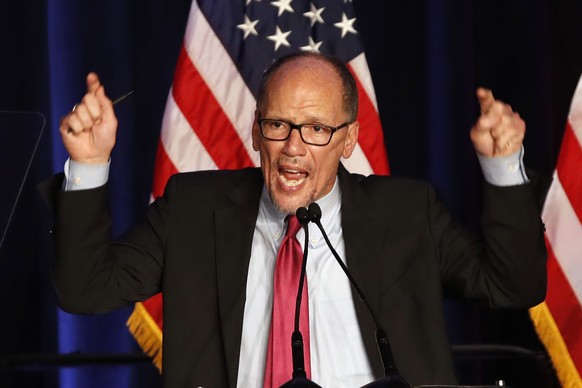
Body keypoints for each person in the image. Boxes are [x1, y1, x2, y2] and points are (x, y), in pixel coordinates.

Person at [47, 52, 547, 387]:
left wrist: (503, 168)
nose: (292, 148)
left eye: (315, 129)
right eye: (278, 125)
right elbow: (85, 290)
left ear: (349, 140)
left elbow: (513, 286)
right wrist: (89, 167)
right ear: (255, 131)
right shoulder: (194, 209)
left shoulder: (407, 213)